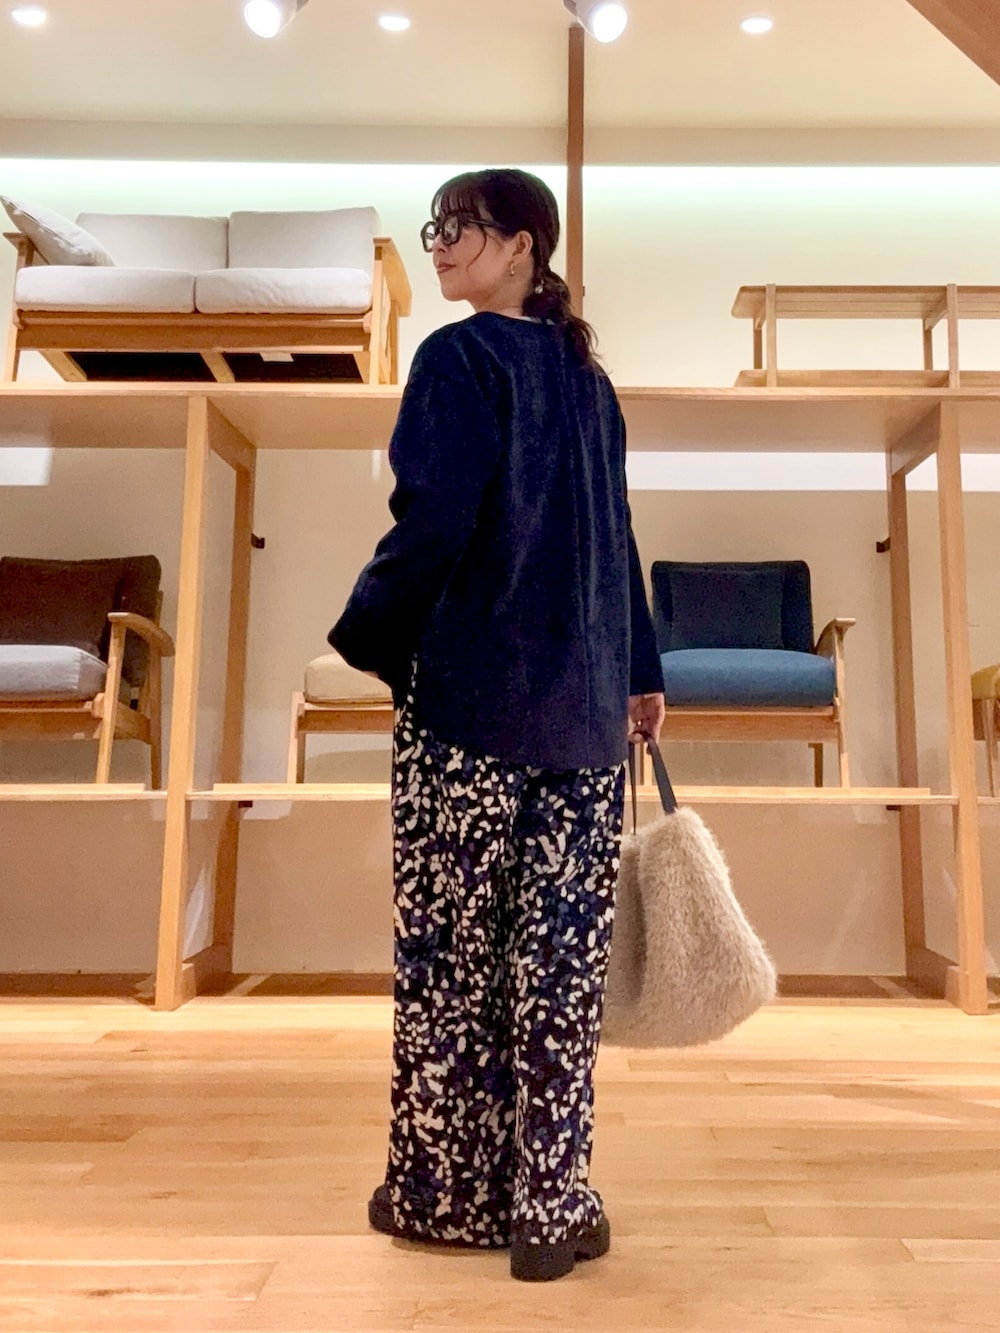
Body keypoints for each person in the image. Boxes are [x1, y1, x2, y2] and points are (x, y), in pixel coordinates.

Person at [329, 167, 665, 1283]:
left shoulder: (455, 358)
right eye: (435, 228)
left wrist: (370, 636)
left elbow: (432, 519)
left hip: (470, 710)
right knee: (559, 974)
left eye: (461, 228)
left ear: (523, 245)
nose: (438, 246)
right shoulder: (590, 382)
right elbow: (616, 539)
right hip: (583, 723)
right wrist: (638, 672)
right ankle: (549, 1207)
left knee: (452, 961)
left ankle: (446, 1193)